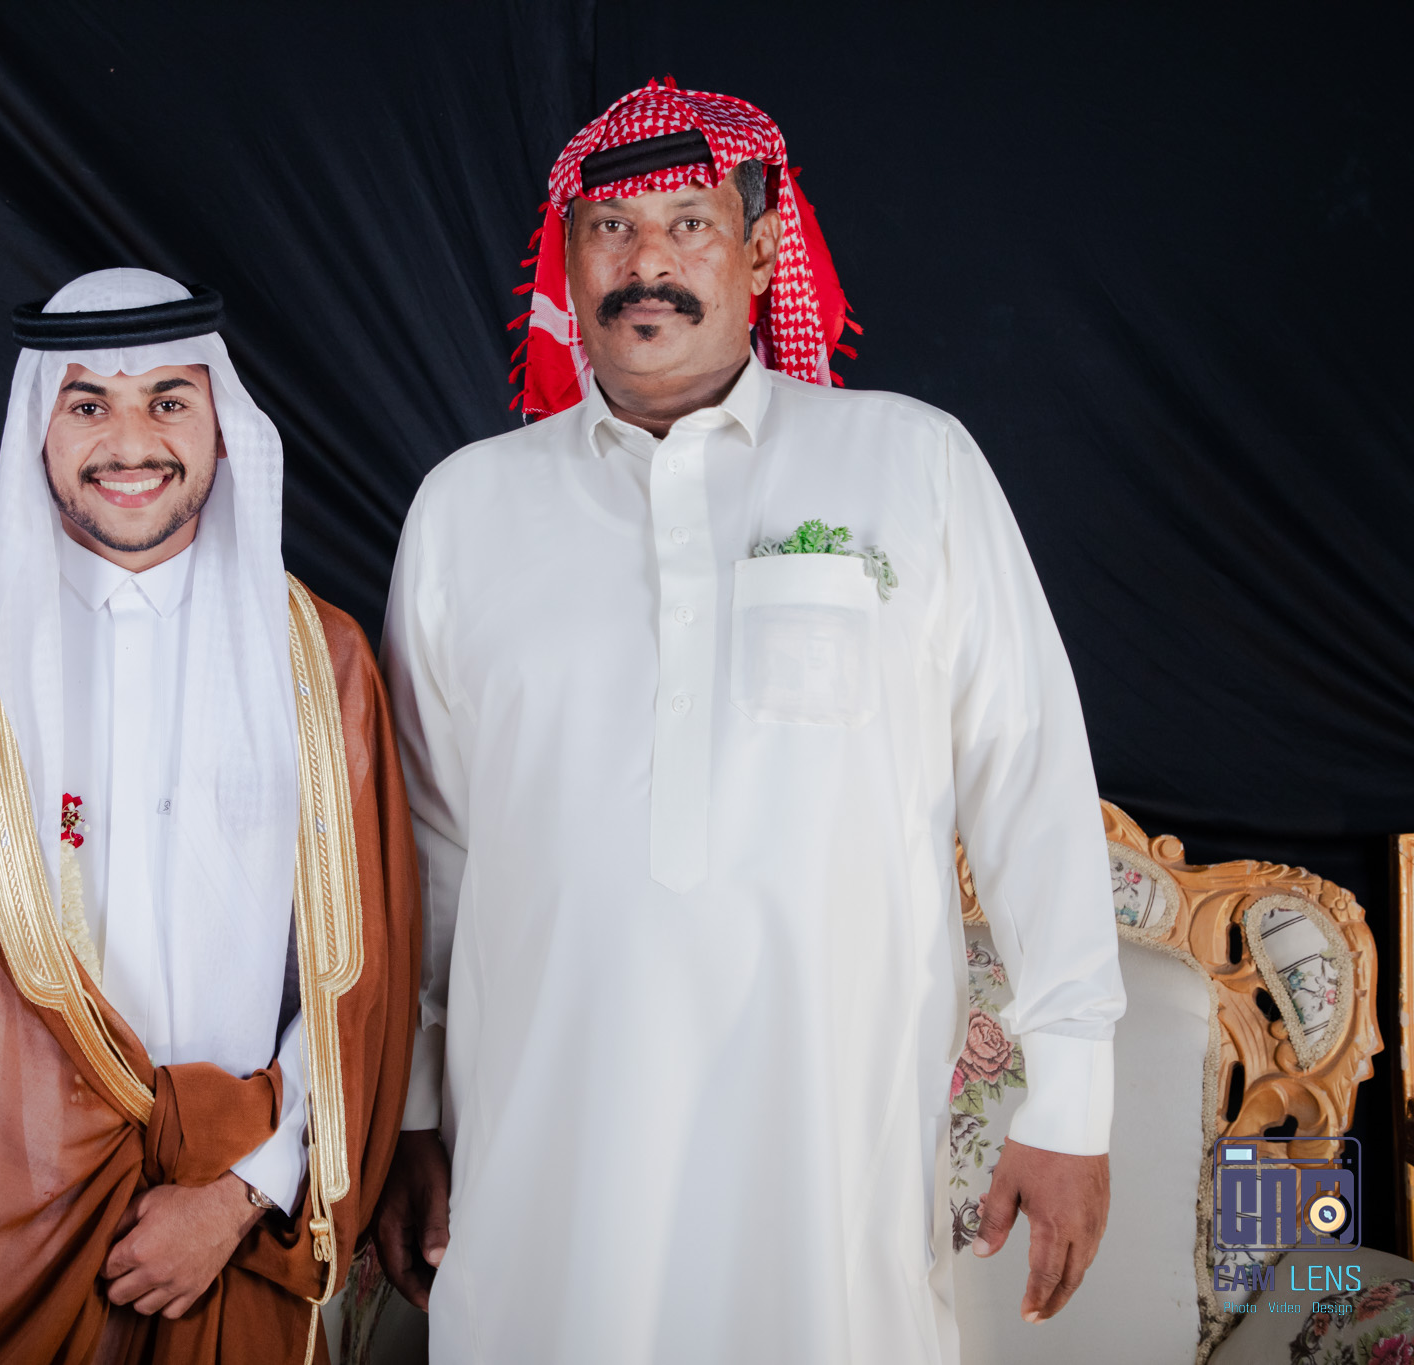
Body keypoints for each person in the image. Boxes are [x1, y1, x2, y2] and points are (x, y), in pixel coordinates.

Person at [372, 81, 1125, 1364]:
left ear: (764, 249)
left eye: (688, 224)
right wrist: (412, 1113)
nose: (646, 264)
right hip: (548, 1141)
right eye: (610, 228)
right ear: (566, 261)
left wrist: (1071, 1099)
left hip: (829, 1135)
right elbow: (429, 848)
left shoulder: (911, 465)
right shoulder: (466, 509)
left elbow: (1029, 778)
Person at [0, 268, 418, 1365]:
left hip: (227, 1230)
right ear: (37, 430)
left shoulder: (317, 662)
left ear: (222, 425)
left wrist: (243, 1191)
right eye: (88, 402)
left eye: (168, 400)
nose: (130, 441)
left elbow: (359, 979)